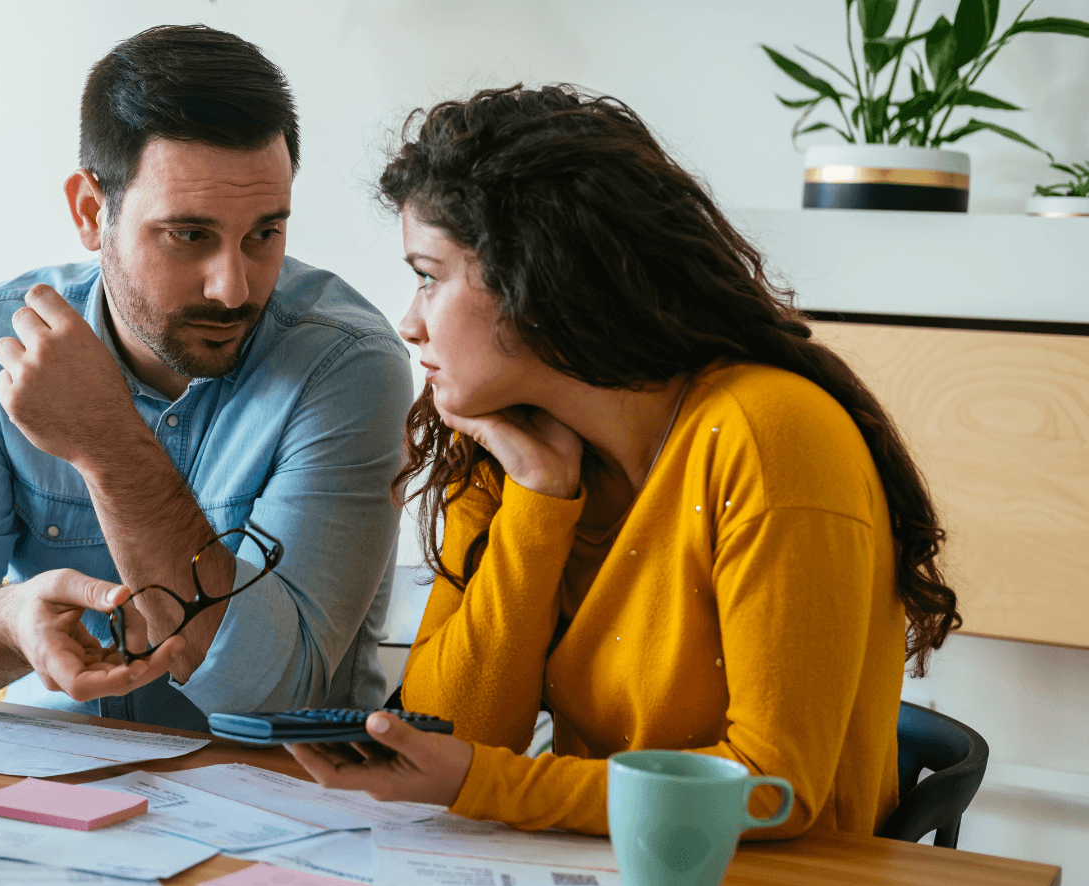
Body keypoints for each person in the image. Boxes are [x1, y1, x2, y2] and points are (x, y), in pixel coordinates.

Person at [289, 84, 960, 839]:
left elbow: (774, 792)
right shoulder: (506, 449)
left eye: (429, 275)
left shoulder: (768, 435)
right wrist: (540, 503)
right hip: (595, 880)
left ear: (536, 277)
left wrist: (489, 783)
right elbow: (453, 736)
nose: (409, 323)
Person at [0, 25, 413, 730]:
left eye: (264, 234)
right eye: (190, 235)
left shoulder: (347, 365)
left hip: (279, 804)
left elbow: (277, 688)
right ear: (92, 213)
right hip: (48, 783)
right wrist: (8, 620)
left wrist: (109, 445)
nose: (235, 287)